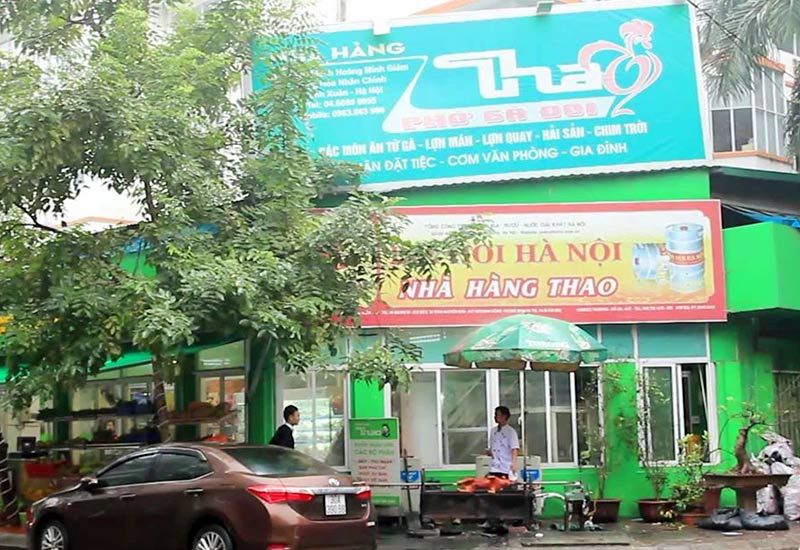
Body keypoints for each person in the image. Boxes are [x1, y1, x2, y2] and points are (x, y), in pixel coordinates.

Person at [488, 406, 520, 479]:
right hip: (494, 466)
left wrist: (514, 464)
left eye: (497, 415)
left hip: (506, 466)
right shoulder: (493, 431)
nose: (495, 417)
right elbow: (492, 447)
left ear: (504, 416)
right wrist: (490, 452)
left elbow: (514, 448)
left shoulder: (511, 432)